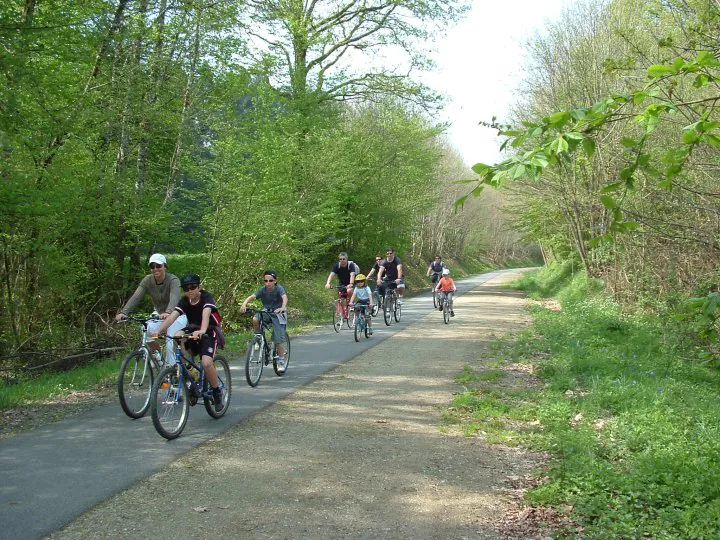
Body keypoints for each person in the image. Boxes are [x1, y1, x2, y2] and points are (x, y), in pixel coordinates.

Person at [153, 273, 225, 411]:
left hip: (208, 332)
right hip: (192, 330)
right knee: (177, 335)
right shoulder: (184, 301)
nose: (190, 291)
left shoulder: (206, 298)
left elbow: (205, 315)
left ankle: (216, 392)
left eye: (193, 287)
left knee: (206, 363)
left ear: (199, 287)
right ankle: (191, 370)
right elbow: (172, 317)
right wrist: (159, 331)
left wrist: (202, 331)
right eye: (186, 288)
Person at [114, 253, 187, 364]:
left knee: (169, 341)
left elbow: (174, 298)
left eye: (158, 266)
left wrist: (168, 311)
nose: (155, 269)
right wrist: (124, 312)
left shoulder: (173, 280)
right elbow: (136, 296)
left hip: (177, 315)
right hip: (159, 314)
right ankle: (159, 358)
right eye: (152, 266)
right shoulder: (148, 280)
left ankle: (172, 372)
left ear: (165, 267)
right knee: (146, 330)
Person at [240, 270, 289, 372]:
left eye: (270, 280)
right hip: (267, 312)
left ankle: (281, 361)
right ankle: (259, 337)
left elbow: (284, 298)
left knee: (278, 338)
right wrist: (244, 304)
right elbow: (252, 297)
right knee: (255, 319)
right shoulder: (263, 290)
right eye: (265, 281)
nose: (268, 283)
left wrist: (282, 307)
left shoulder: (279, 289)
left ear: (275, 281)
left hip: (278, 313)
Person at [324, 252, 359, 319]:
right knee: (341, 297)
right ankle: (343, 312)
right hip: (341, 284)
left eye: (344, 259)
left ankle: (351, 303)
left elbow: (352, 275)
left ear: (346, 259)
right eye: (340, 259)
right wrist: (328, 283)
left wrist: (351, 284)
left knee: (349, 291)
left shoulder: (350, 265)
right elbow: (331, 275)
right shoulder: (337, 266)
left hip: (350, 283)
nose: (342, 260)